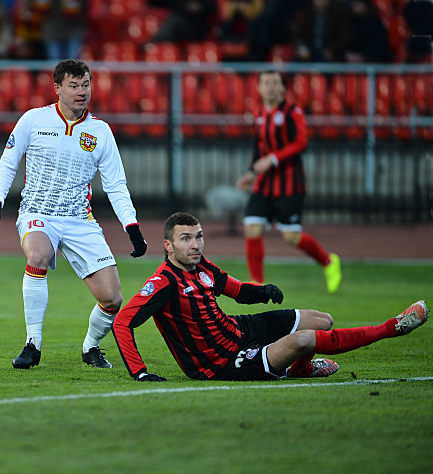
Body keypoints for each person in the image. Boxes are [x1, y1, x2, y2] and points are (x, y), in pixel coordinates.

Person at [112, 212, 429, 382]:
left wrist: (262, 292)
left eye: (199, 237)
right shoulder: (163, 282)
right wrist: (140, 372)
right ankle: (393, 327)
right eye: (186, 239)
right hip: (222, 363)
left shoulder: (202, 266)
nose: (195, 245)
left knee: (323, 320)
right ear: (168, 246)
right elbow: (123, 322)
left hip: (239, 329)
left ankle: (301, 369)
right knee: (304, 339)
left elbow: (237, 291)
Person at [0, 59, 148, 370]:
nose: (82, 91)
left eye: (86, 84)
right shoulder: (33, 120)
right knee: (38, 255)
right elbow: (8, 164)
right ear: (57, 88)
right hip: (38, 213)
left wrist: (132, 226)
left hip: (79, 219)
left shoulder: (100, 131)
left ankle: (90, 347)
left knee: (112, 299)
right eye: (74, 86)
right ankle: (32, 344)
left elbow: (116, 185)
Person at [235, 70, 341, 293]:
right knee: (252, 228)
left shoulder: (293, 112)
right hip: (264, 183)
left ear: (283, 88)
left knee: (291, 236)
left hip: (290, 183)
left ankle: (329, 262)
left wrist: (272, 159)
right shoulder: (258, 112)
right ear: (259, 88)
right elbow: (258, 147)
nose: (271, 87)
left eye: (275, 83)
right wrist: (250, 173)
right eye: (266, 82)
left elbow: (301, 142)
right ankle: (257, 284)